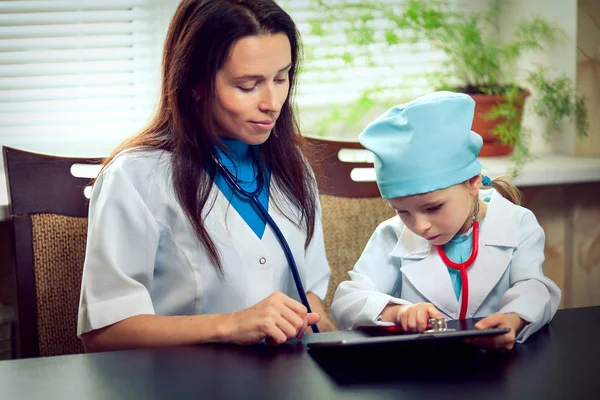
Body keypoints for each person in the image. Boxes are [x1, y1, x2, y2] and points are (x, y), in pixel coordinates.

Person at [78, 0, 335, 352]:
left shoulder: (295, 168)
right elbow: (103, 334)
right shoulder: (135, 176)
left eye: (281, 77)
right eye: (248, 85)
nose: (272, 102)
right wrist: (230, 325)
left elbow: (310, 297)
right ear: (194, 83)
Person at [331, 91, 561, 351]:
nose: (419, 227)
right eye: (402, 211)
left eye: (433, 207)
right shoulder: (391, 235)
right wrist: (395, 312)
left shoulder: (517, 224)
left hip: (498, 372)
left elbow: (535, 288)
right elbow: (347, 301)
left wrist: (514, 318)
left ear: (473, 181)